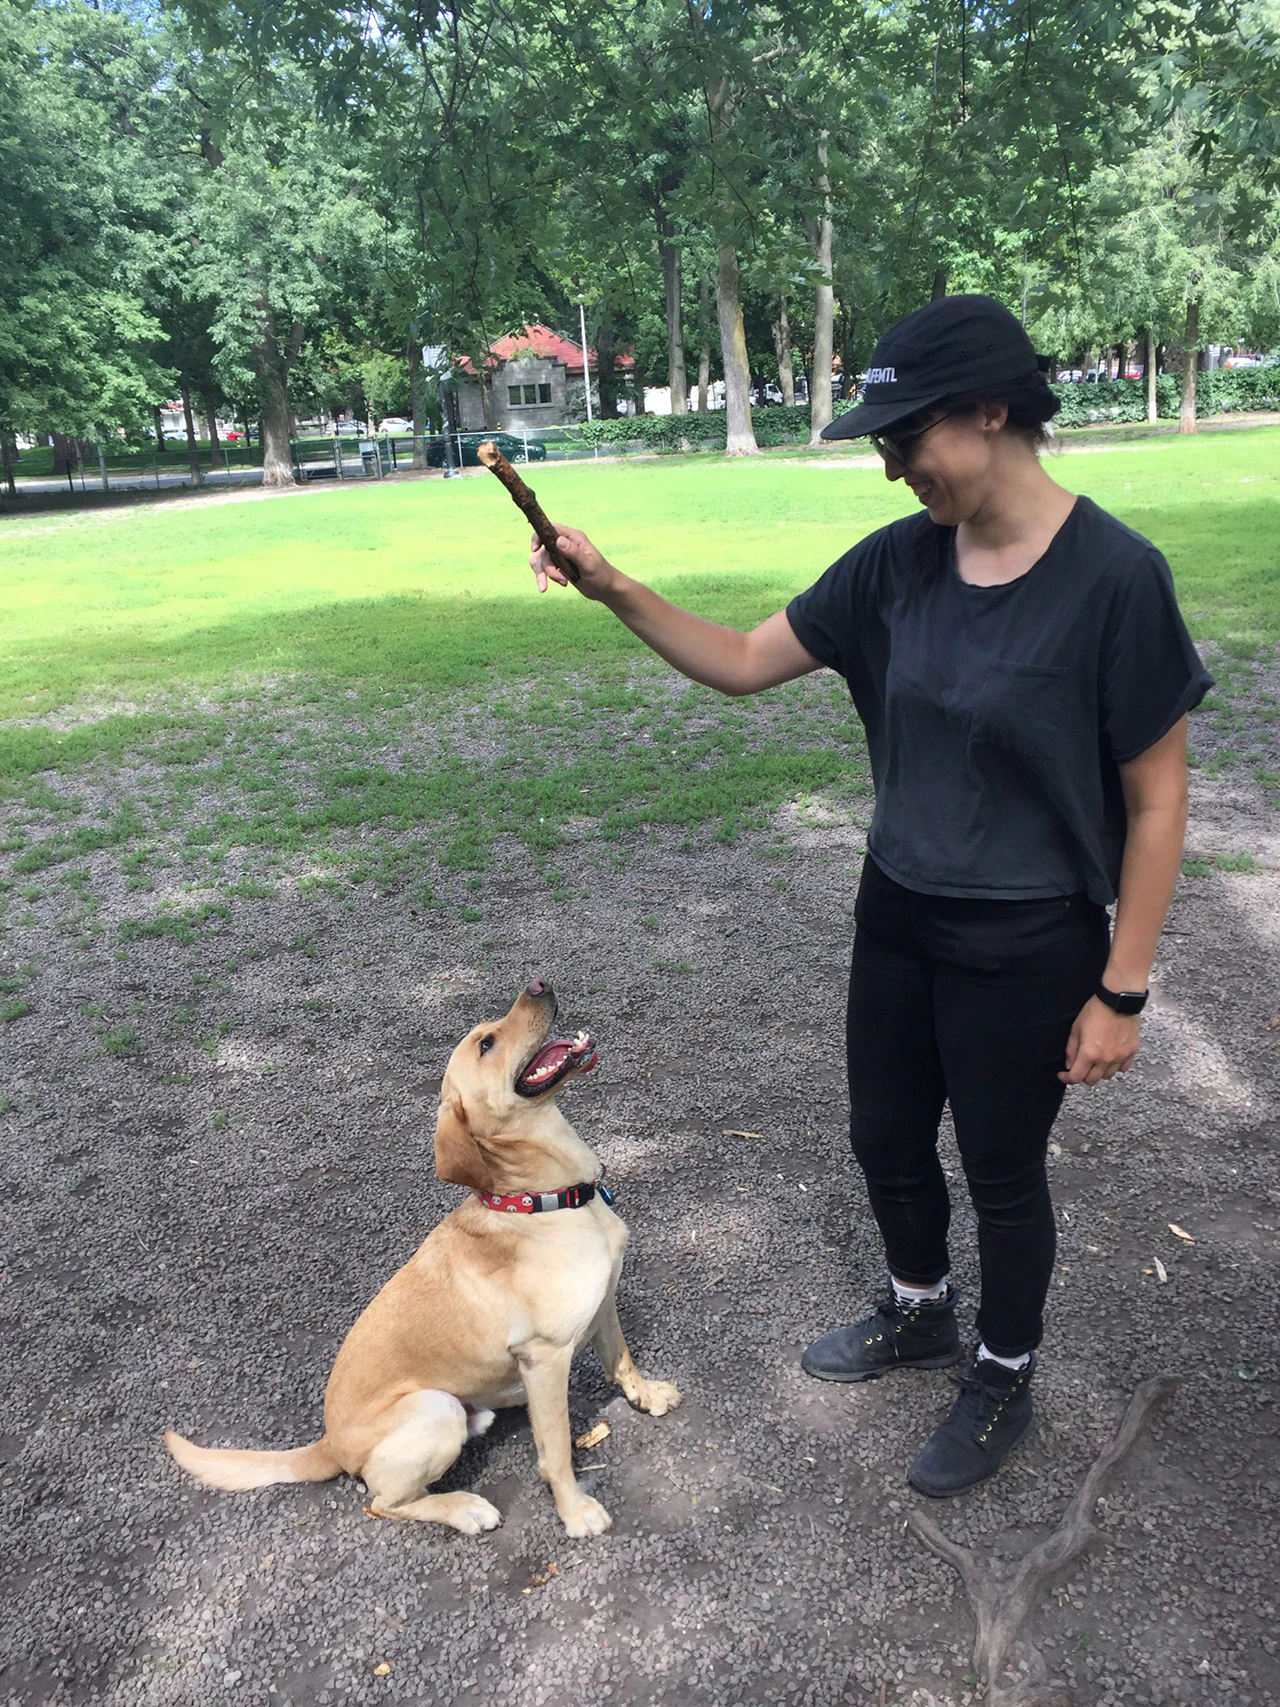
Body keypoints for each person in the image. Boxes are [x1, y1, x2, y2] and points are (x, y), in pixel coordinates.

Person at [528, 294, 1211, 1497]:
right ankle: (918, 1309)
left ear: (991, 411)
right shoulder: (895, 566)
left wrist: (1122, 988)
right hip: (896, 909)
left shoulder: (1114, 579)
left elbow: (1155, 803)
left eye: (905, 439)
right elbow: (743, 662)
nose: (891, 468)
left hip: (1027, 939)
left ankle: (1002, 1369)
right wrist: (610, 585)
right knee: (884, 1136)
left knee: (1000, 1170)